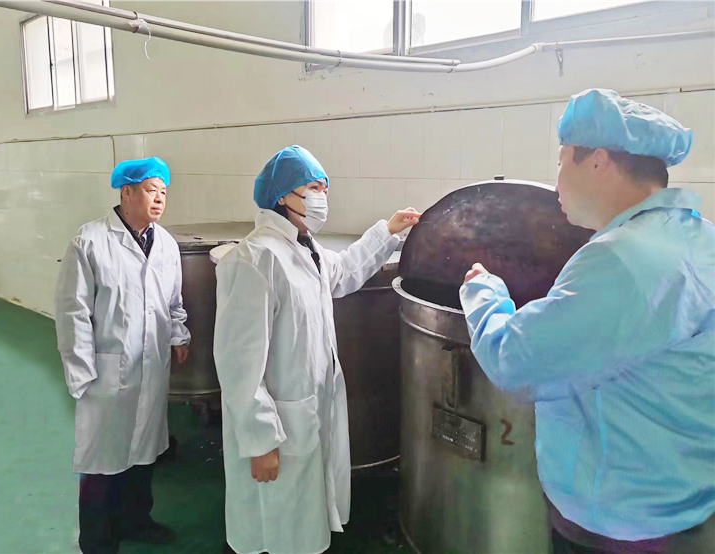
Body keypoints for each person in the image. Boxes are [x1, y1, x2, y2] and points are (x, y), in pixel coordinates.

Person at [460, 89, 714, 553]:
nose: (556, 181)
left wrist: (483, 290)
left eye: (561, 162)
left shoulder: (622, 260)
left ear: (597, 161)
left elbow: (514, 360)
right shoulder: (697, 237)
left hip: (620, 516)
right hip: (682, 494)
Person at [214, 145, 420, 554]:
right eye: (312, 188)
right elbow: (239, 363)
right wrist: (260, 441)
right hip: (277, 423)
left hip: (307, 410)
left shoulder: (305, 248)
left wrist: (387, 231)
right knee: (275, 525)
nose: (321, 197)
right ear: (283, 195)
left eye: (324, 188)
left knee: (301, 522)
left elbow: (343, 271)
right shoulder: (255, 258)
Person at [55, 157, 191, 554]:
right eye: (151, 190)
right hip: (106, 371)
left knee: (144, 451)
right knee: (102, 460)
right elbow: (73, 311)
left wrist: (179, 335)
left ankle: (136, 521)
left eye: (163, 191)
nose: (159, 198)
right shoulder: (90, 241)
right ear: (126, 192)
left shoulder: (165, 244)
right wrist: (82, 373)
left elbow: (173, 300)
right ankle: (97, 539)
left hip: (150, 367)